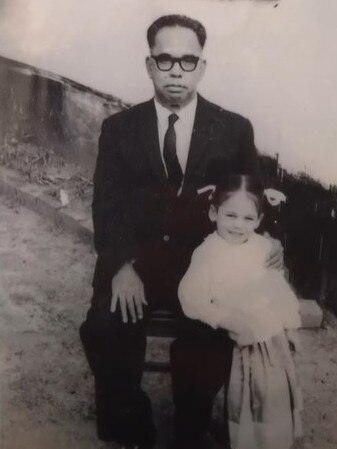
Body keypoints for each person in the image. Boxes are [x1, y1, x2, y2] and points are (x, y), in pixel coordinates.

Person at [79, 14, 283, 449]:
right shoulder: (119, 130)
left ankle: (191, 422)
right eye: (165, 59)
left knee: (210, 335)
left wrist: (271, 245)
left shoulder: (232, 129)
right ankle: (132, 418)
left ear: (202, 67)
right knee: (104, 326)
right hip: (139, 261)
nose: (176, 70)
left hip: (207, 261)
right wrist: (121, 266)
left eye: (187, 61)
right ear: (149, 65)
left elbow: (255, 199)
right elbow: (107, 205)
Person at [178, 174, 303, 449]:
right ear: (214, 213)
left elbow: (276, 286)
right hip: (236, 334)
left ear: (259, 221)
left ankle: (270, 440)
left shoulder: (262, 248)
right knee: (244, 392)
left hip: (268, 336)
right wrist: (225, 319)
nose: (238, 225)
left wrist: (289, 322)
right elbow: (190, 296)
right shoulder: (209, 252)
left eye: (248, 219)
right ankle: (243, 438)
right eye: (230, 215)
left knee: (272, 391)